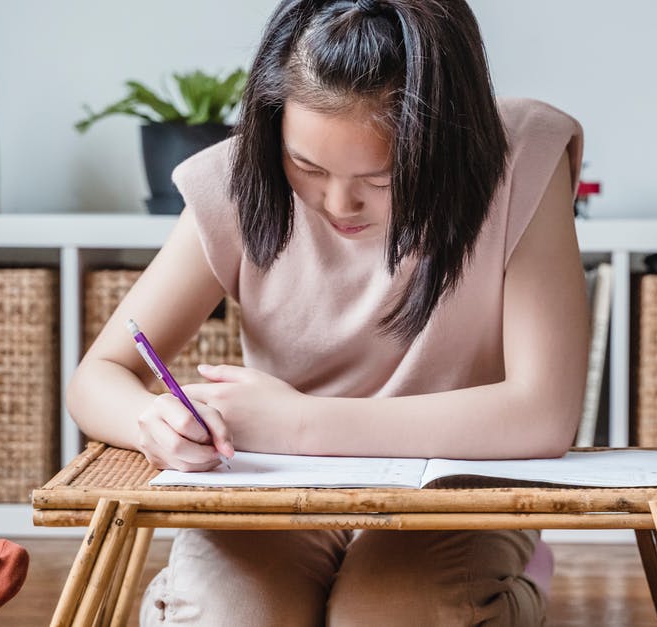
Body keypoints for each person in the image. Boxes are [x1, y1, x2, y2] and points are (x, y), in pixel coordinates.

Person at [67, 0, 587, 624]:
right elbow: (97, 377)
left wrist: (301, 425)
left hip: (455, 489)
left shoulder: (519, 157)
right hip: (276, 492)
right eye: (307, 166)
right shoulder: (240, 180)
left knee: (386, 616)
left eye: (382, 175)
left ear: (447, 139)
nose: (339, 202)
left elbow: (544, 414)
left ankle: (510, 583)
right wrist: (152, 419)